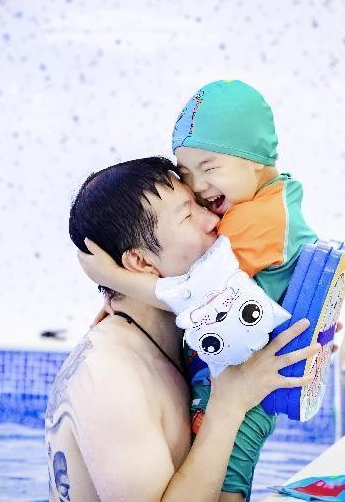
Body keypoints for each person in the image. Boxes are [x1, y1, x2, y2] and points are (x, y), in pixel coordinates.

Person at [79, 80, 325, 501]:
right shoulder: (265, 202)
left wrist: (116, 280)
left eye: (209, 169)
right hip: (232, 371)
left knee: (229, 478)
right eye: (187, 175)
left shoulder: (260, 222)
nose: (201, 195)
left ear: (256, 159)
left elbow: (197, 291)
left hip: (245, 381)